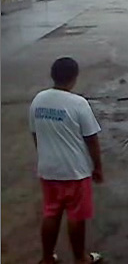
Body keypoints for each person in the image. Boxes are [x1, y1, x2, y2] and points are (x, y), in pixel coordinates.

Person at [29, 57, 103, 264]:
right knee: (76, 216)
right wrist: (97, 167)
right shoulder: (78, 103)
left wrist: (45, 156)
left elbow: (35, 134)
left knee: (51, 213)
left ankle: (46, 258)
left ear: (53, 75)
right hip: (75, 171)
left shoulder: (38, 100)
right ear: (74, 77)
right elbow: (92, 139)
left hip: (48, 170)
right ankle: (80, 258)